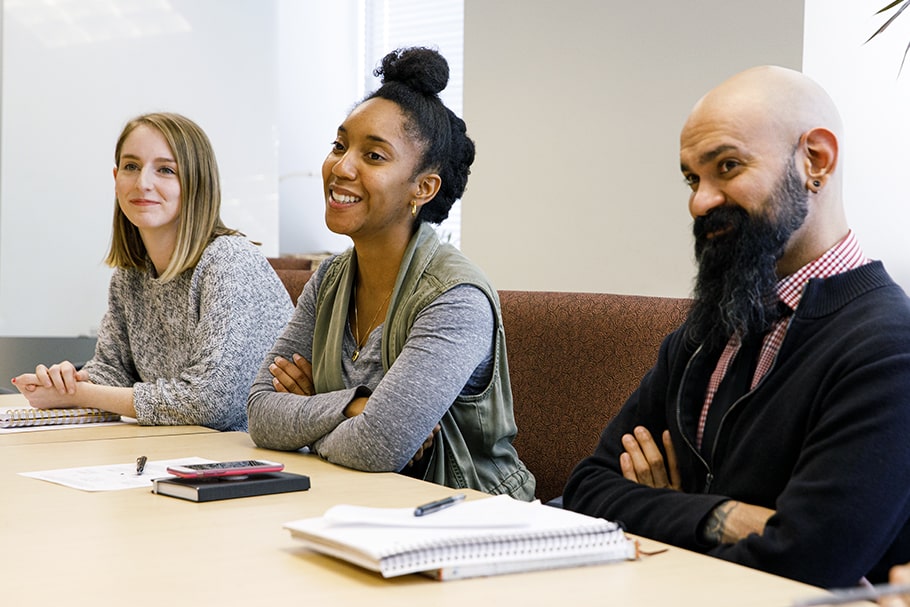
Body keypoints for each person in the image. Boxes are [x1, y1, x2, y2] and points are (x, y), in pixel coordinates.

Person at [562, 66, 910, 588]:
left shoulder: (888, 349)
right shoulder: (710, 327)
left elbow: (804, 561)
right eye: (691, 178)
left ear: (815, 160)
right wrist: (718, 516)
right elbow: (588, 487)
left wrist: (663, 509)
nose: (699, 202)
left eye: (727, 166)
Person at [247, 47, 535, 500]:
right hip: (352, 507)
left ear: (423, 187)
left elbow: (377, 447)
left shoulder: (456, 297)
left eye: (374, 156)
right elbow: (261, 413)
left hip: (465, 519)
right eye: (339, 146)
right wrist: (355, 407)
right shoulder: (329, 280)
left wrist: (306, 416)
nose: (340, 167)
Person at [11, 112, 292, 431]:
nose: (143, 183)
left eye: (165, 170)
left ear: (196, 183)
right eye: (131, 166)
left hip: (250, 460)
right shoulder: (130, 275)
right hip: (177, 453)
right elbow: (113, 371)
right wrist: (67, 382)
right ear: (116, 177)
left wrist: (83, 393)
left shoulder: (229, 260)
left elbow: (209, 404)